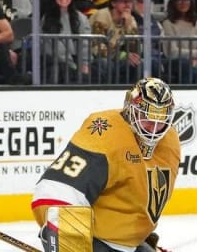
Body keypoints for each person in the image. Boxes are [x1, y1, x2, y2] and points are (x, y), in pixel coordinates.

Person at [32, 77, 178, 252]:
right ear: (131, 109)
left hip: (130, 245)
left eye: (160, 121)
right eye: (147, 118)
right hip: (95, 242)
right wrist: (65, 238)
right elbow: (55, 189)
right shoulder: (105, 133)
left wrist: (140, 236)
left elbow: (138, 197)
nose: (153, 129)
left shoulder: (170, 141)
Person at [41, 0, 91, 84]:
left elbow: (85, 44)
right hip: (59, 62)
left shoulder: (81, 18)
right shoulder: (47, 18)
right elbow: (55, 48)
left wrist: (84, 64)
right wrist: (73, 66)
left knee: (100, 66)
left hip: (77, 61)